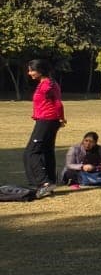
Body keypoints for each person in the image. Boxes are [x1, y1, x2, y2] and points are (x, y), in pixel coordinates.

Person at [24, 59, 66, 198]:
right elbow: (57, 103)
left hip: (46, 120)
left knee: (31, 152)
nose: (29, 73)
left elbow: (58, 103)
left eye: (32, 70)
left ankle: (44, 183)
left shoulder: (47, 85)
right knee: (47, 151)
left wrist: (60, 118)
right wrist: (59, 118)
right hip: (50, 120)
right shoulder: (50, 83)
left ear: (40, 71)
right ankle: (50, 182)